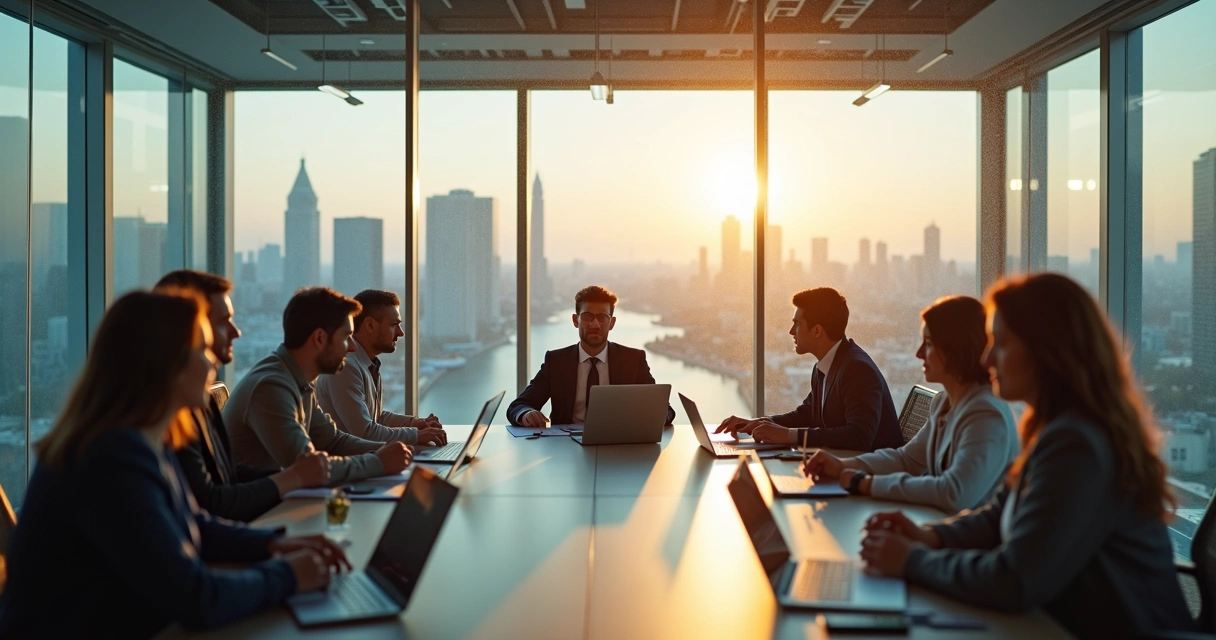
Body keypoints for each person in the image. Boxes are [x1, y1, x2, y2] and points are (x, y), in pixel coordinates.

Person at [858, 274, 1193, 639]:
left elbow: (1014, 580)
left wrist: (911, 560)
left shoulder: (1077, 445)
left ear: (1045, 350)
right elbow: (995, 517)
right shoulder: (1059, 429)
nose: (986, 357)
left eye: (1000, 344)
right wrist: (929, 537)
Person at [0, 291, 350, 638]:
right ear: (165, 362)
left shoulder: (141, 440)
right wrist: (289, 576)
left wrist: (273, 544)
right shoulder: (109, 457)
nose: (213, 360)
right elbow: (196, 598)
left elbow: (189, 521)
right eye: (201, 348)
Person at [802, 296, 1017, 512]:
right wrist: (842, 465)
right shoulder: (943, 402)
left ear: (956, 348)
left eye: (929, 344)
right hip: (939, 527)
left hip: (970, 541)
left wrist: (866, 483)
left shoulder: (986, 413)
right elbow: (907, 460)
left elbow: (953, 493)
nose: (919, 353)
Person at [155, 270, 331, 522]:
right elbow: (211, 505)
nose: (236, 332)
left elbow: (226, 473)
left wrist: (293, 478)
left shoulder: (198, 398)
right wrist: (291, 479)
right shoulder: (160, 418)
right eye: (223, 320)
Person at [224, 287, 412, 484]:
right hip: (260, 513)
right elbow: (307, 467)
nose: (353, 347)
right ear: (320, 338)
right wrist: (378, 462)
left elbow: (332, 441)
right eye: (346, 336)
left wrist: (386, 451)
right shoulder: (270, 386)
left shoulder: (296, 380)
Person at [716, 287, 902, 452]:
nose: (791, 331)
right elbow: (807, 414)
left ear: (817, 330)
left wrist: (788, 435)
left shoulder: (857, 369)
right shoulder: (826, 364)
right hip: (845, 467)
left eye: (797, 324)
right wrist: (757, 424)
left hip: (872, 478)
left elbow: (858, 436)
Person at [507, 285, 676, 427]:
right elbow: (519, 406)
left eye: (602, 317)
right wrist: (527, 413)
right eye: (587, 317)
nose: (595, 324)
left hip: (621, 446)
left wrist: (656, 417)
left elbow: (666, 410)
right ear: (575, 320)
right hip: (565, 448)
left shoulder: (633, 360)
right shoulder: (557, 361)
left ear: (612, 323)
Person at [316, 289, 446, 447]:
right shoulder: (345, 367)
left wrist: (415, 423)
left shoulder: (366, 364)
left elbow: (375, 418)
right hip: (344, 467)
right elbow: (365, 432)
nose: (400, 333)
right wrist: (417, 435)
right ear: (370, 325)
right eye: (394, 325)